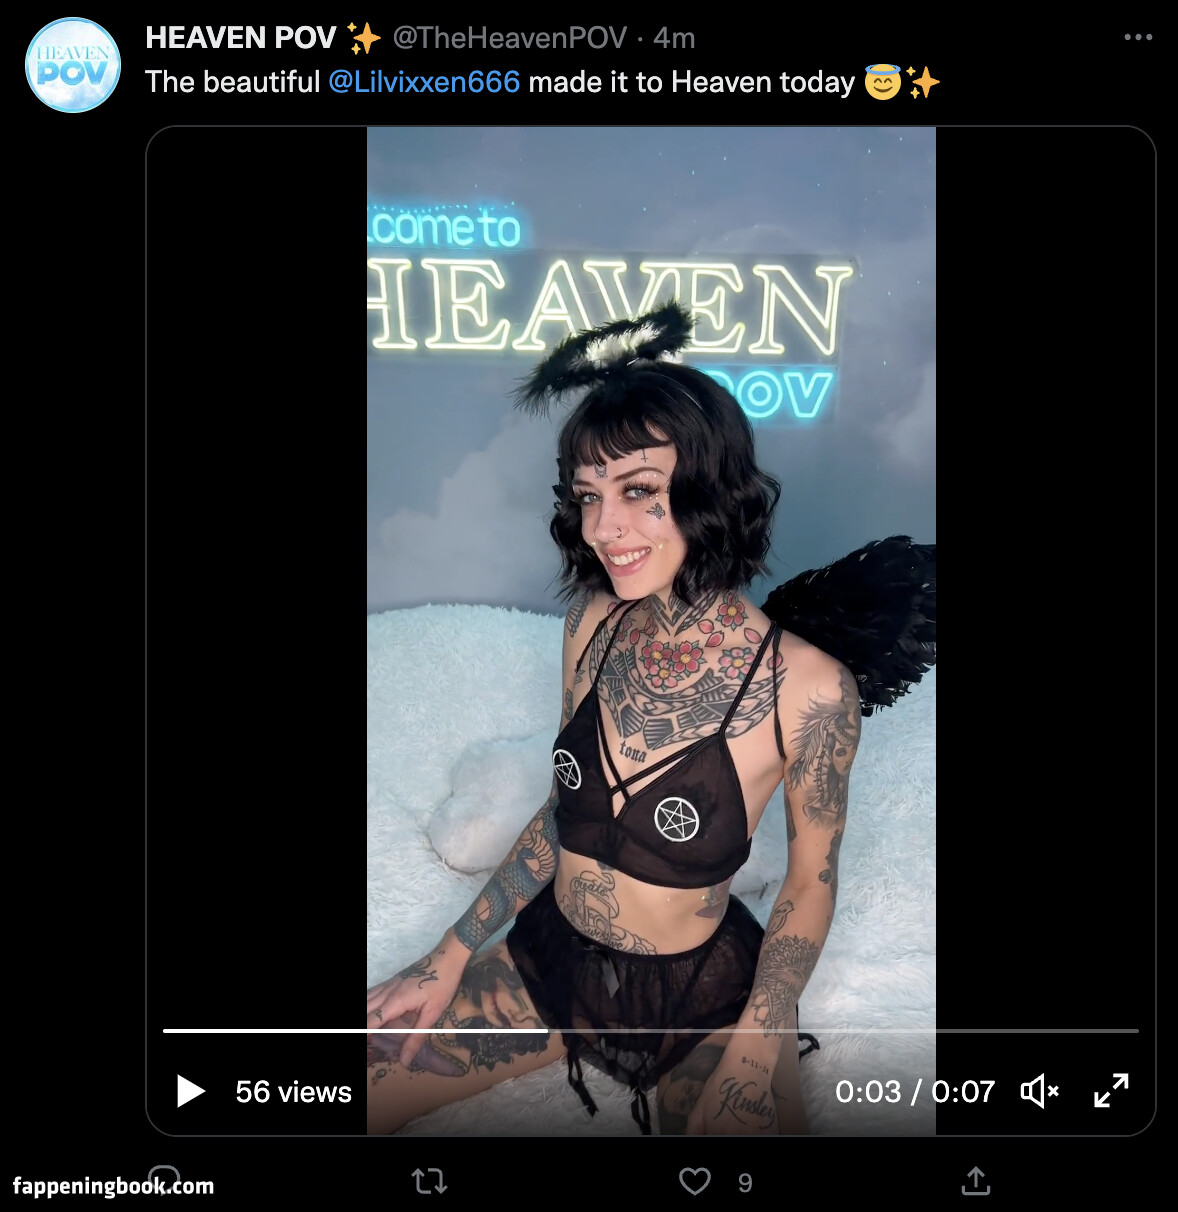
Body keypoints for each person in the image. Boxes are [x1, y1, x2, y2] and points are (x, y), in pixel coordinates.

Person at [366, 301, 935, 1136]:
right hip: (550, 957)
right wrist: (449, 952)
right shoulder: (594, 623)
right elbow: (563, 811)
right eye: (588, 496)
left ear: (711, 491)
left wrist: (758, 1044)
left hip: (700, 997)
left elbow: (809, 883)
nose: (604, 528)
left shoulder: (809, 689)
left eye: (638, 491)